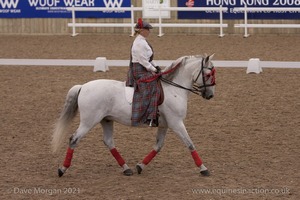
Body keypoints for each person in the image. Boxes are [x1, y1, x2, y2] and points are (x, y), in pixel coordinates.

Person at [126, 18, 161, 127]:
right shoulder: (139, 43)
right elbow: (143, 61)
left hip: (145, 67)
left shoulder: (143, 41)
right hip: (140, 70)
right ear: (141, 30)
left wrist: (156, 66)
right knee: (153, 85)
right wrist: (154, 69)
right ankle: (149, 116)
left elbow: (148, 58)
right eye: (147, 29)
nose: (149, 31)